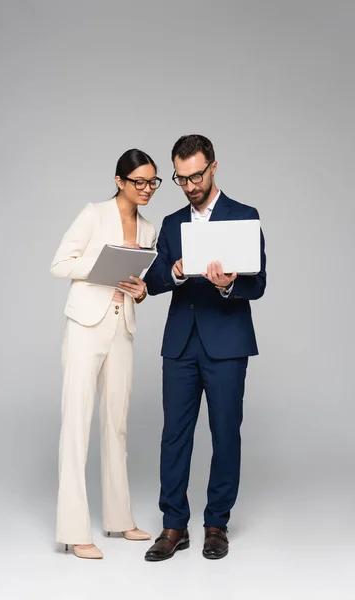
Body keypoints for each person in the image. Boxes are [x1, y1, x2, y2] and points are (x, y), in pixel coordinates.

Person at [143, 134, 266, 561]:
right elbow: (154, 282)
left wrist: (230, 283)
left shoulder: (244, 216)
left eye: (197, 175)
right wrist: (174, 273)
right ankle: (174, 526)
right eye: (181, 178)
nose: (191, 185)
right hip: (180, 344)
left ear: (213, 166)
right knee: (173, 436)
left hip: (227, 343)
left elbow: (259, 283)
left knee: (225, 433)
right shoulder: (173, 222)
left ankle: (217, 524)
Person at [50, 149, 161, 559]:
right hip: (85, 325)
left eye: (153, 182)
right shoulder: (93, 214)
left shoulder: (149, 229)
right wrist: (103, 261)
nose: (147, 189)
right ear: (120, 181)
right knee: (76, 424)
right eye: (139, 182)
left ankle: (119, 519)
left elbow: (140, 282)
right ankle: (74, 530)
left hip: (122, 327)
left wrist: (142, 290)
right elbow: (60, 263)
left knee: (117, 423)